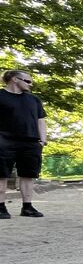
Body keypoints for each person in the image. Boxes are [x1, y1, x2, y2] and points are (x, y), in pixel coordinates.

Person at [0, 70, 46, 218]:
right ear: (14, 79)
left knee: (28, 175)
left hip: (30, 141)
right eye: (27, 81)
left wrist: (42, 140)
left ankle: (27, 207)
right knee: (1, 174)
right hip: (3, 140)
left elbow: (41, 120)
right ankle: (1, 207)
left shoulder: (34, 100)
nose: (30, 84)